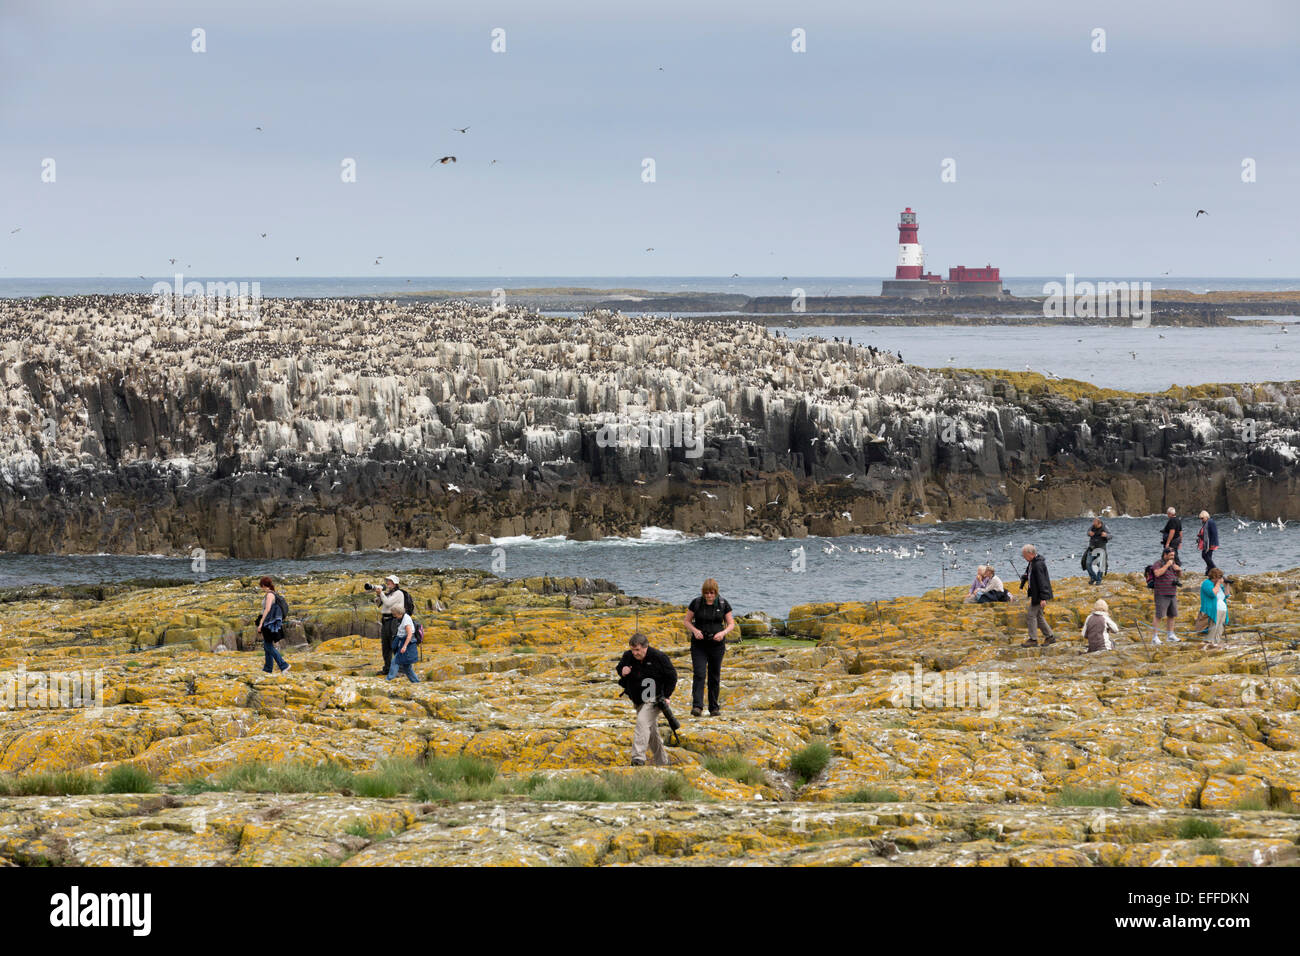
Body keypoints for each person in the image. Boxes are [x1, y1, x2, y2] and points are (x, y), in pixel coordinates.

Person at [615, 633, 678, 767]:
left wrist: (667, 696)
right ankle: (663, 762)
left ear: (645, 647)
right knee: (652, 733)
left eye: (637, 650)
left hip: (654, 699)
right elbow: (619, 668)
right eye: (632, 650)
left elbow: (672, 676)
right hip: (637, 700)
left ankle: (638, 759)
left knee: (642, 722)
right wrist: (623, 670)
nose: (634, 653)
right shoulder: (628, 656)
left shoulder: (659, 657)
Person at [684, 578, 734, 717]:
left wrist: (723, 633)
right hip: (699, 645)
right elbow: (687, 621)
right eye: (706, 593)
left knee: (714, 676)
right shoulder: (696, 603)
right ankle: (697, 706)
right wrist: (695, 631)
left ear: (716, 592)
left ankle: (714, 708)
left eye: (712, 593)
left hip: (717, 645)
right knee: (699, 674)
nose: (709, 596)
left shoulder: (724, 604)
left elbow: (731, 624)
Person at [1019, 545, 1055, 646]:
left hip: (1039, 595)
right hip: (1036, 594)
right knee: (1039, 616)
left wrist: (1043, 598)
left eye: (1024, 555)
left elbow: (1042, 582)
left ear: (1030, 554)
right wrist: (1024, 578)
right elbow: (1029, 574)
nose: (1024, 557)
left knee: (1031, 615)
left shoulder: (1038, 564)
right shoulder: (1032, 563)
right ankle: (1050, 636)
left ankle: (1033, 639)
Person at [256, 575, 290, 675]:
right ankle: (268, 669)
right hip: (269, 622)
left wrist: (261, 623)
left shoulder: (270, 595)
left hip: (268, 623)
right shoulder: (272, 593)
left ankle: (284, 665)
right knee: (267, 646)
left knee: (268, 646)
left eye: (261, 586)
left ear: (263, 585)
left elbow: (267, 609)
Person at [372, 574, 405, 677]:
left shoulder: (398, 593)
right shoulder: (389, 593)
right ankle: (387, 668)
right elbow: (379, 604)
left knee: (394, 645)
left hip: (394, 620)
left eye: (389, 581)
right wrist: (378, 595)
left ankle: (400, 670)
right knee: (385, 646)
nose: (387, 583)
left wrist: (381, 593)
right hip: (385, 621)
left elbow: (388, 603)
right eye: (387, 581)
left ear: (395, 583)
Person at [1150, 547, 1182, 643]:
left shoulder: (1174, 563)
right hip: (1161, 593)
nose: (1173, 557)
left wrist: (1179, 570)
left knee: (1172, 615)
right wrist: (1167, 565)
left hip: (1172, 592)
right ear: (1165, 554)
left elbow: (1179, 576)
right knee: (1159, 615)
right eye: (1171, 555)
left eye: (1173, 555)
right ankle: (1155, 637)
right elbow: (1157, 574)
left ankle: (1170, 635)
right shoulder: (1158, 563)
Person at [387, 610, 420, 682]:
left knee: (395, 661)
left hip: (407, 645)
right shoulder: (402, 618)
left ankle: (389, 680)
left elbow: (409, 634)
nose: (394, 616)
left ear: (399, 613)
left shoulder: (406, 620)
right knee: (406, 667)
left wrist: (404, 646)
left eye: (395, 614)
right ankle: (416, 682)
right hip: (404, 643)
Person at [1201, 568, 1230, 645]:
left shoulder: (1220, 586)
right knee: (1213, 630)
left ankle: (1216, 644)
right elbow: (1212, 593)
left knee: (1220, 629)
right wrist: (1218, 584)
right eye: (1219, 577)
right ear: (1214, 577)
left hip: (1222, 609)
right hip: (1213, 610)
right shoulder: (1207, 583)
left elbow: (1226, 595)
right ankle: (1208, 644)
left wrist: (1226, 585)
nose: (1220, 579)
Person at [1083, 517, 1110, 585]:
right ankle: (1093, 577)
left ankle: (1099, 580)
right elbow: (1087, 532)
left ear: (1099, 524)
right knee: (1088, 564)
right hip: (1092, 549)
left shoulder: (1105, 528)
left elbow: (1111, 536)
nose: (1094, 526)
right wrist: (1089, 533)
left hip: (1101, 549)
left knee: (1101, 565)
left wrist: (1106, 535)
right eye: (1093, 524)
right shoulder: (1092, 526)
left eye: (1095, 525)